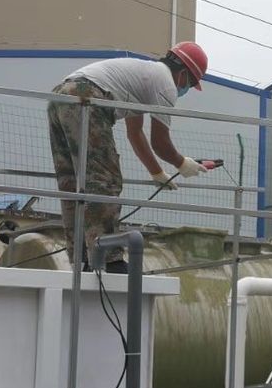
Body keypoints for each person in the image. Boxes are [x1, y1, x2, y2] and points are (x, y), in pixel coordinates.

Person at [47, 42, 209, 273]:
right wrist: (182, 163)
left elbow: (135, 133)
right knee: (105, 180)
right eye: (191, 84)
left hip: (61, 96)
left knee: (72, 182)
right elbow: (160, 143)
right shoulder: (166, 84)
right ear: (183, 74)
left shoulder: (143, 78)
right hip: (87, 97)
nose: (186, 89)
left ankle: (80, 258)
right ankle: (109, 260)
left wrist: (157, 172)